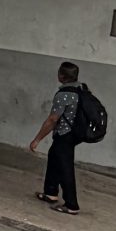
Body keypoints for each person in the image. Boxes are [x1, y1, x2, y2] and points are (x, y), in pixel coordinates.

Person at [29, 60, 85, 215]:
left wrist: (37, 139)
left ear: (62, 76)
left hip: (64, 134)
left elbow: (53, 119)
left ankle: (71, 205)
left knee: (65, 168)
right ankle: (50, 192)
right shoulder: (81, 90)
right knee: (54, 157)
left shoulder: (64, 95)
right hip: (73, 133)